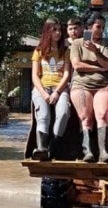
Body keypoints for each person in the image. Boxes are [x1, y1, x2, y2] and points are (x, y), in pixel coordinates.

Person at [70, 14, 108, 163]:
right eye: (98, 26)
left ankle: (103, 152)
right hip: (81, 85)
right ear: (89, 27)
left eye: (103, 27)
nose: (101, 30)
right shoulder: (77, 43)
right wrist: (99, 68)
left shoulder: (106, 43)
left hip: (102, 85)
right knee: (85, 116)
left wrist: (96, 51)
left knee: (102, 114)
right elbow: (77, 65)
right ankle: (87, 151)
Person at [30, 18, 72, 161]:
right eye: (54, 29)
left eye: (60, 30)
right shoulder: (39, 51)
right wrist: (43, 93)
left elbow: (67, 74)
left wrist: (57, 92)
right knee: (44, 116)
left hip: (60, 89)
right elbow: (35, 76)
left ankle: (52, 148)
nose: (58, 33)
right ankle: (42, 148)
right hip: (41, 88)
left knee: (64, 114)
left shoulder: (66, 51)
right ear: (47, 31)